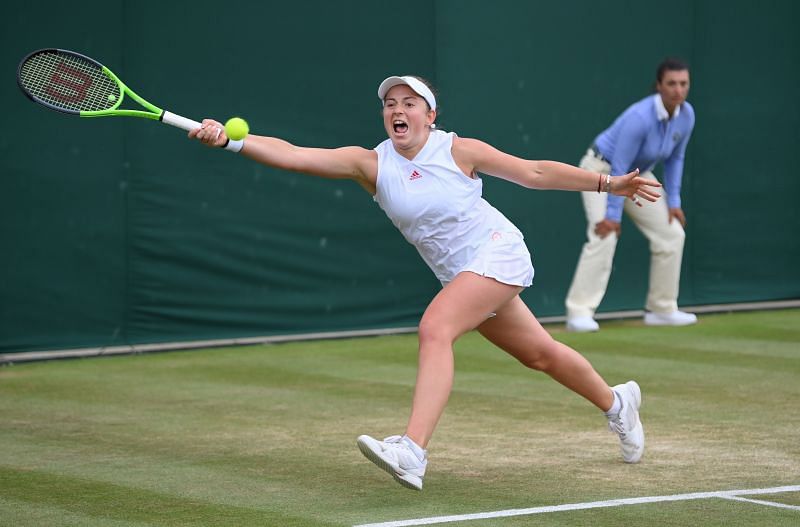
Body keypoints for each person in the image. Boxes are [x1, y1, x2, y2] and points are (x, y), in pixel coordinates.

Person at [189, 75, 661, 490]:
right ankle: (618, 402)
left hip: (497, 251)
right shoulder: (370, 164)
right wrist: (232, 142)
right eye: (391, 103)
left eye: (410, 102)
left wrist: (607, 184)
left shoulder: (458, 150)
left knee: (435, 328)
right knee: (540, 354)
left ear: (430, 116)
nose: (398, 109)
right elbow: (295, 155)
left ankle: (412, 451)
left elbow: (534, 173)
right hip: (461, 274)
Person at [565, 58, 697, 332]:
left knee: (672, 233)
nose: (678, 90)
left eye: (683, 83)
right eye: (671, 83)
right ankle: (579, 312)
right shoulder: (640, 118)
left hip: (638, 175)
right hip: (601, 170)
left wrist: (674, 202)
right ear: (659, 86)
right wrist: (613, 215)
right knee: (605, 233)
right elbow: (619, 168)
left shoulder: (687, 115)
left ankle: (661, 308)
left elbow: (676, 159)